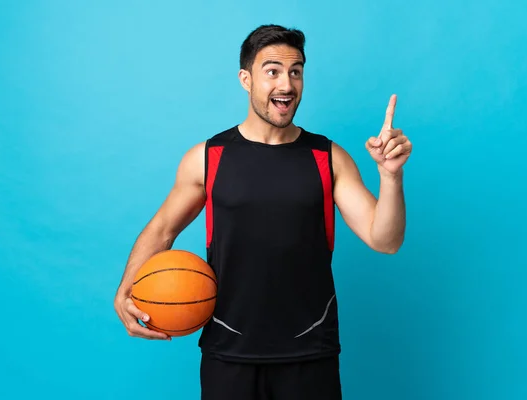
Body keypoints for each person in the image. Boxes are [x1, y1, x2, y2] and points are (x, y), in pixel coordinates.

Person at [114, 24, 412, 399]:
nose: (286, 84)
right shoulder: (207, 158)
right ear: (246, 79)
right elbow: (161, 232)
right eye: (272, 71)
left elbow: (385, 240)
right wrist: (125, 291)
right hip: (228, 352)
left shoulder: (329, 158)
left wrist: (390, 176)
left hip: (309, 352)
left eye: (295, 71)